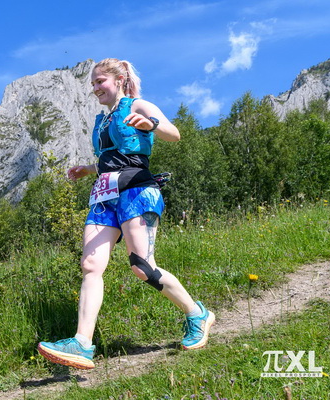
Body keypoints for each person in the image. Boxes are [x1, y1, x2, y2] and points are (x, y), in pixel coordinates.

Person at [37, 58, 215, 370]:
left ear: (119, 80)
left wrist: (151, 125)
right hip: (104, 195)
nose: (95, 88)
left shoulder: (138, 105)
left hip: (137, 190)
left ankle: (197, 314)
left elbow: (174, 134)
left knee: (142, 267)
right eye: (93, 84)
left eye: (100, 81)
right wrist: (88, 169)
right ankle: (82, 343)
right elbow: (111, 158)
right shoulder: (102, 120)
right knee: (90, 265)